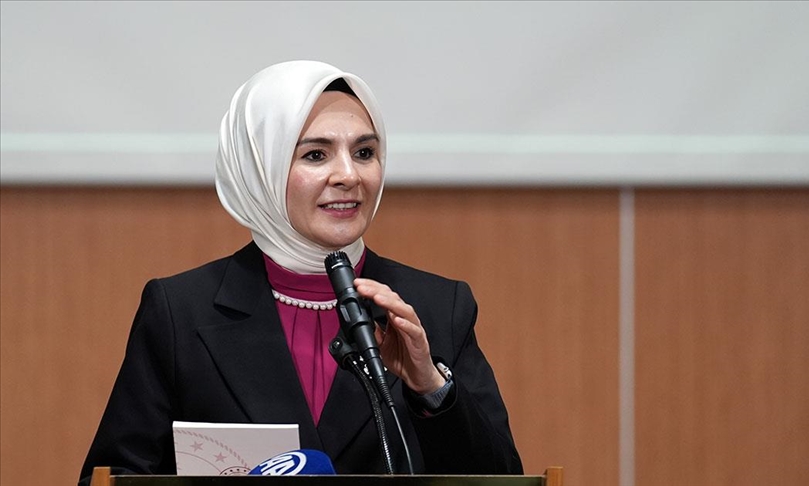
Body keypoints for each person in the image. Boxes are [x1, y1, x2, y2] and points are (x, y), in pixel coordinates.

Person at [79, 60, 522, 484]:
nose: (348, 175)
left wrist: (430, 386)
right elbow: (115, 477)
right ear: (260, 168)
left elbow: (503, 479)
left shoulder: (436, 307)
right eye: (315, 155)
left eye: (364, 152)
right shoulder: (181, 311)